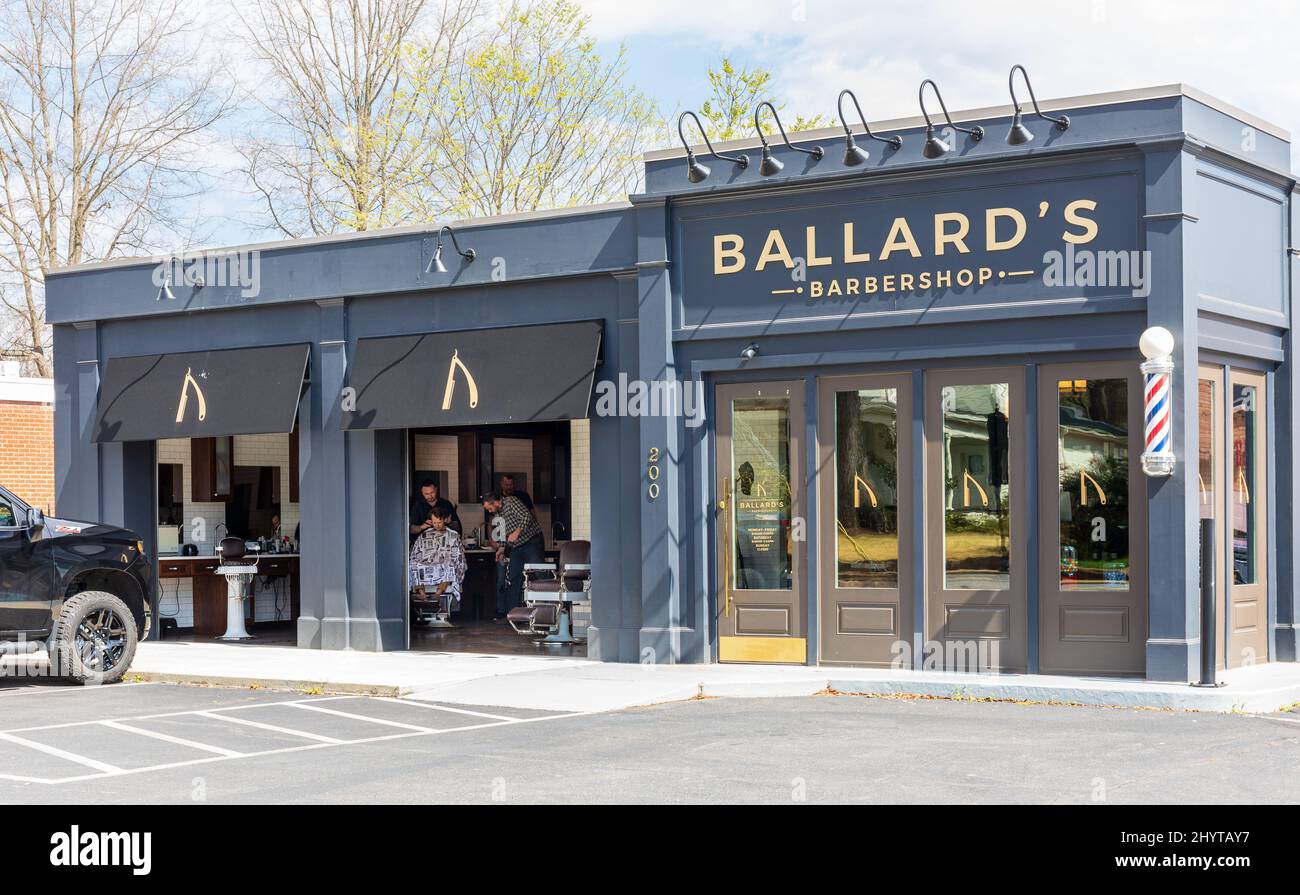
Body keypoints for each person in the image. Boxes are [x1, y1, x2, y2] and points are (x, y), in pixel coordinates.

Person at [482, 490, 543, 619]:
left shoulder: (511, 502)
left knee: (539, 573)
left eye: (490, 507)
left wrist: (517, 531)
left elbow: (527, 516)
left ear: (497, 502)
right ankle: (513, 614)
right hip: (517, 547)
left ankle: (546, 610)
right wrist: (501, 549)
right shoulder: (498, 514)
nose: (489, 511)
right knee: (513, 577)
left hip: (532, 541)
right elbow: (503, 533)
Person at [408, 504, 467, 608]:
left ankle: (438, 594)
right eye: (434, 522)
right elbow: (416, 553)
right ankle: (422, 594)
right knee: (413, 565)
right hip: (428, 563)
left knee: (449, 566)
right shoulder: (425, 534)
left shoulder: (453, 535)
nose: (437, 525)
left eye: (439, 522)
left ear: (444, 520)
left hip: (444, 563)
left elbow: (458, 556)